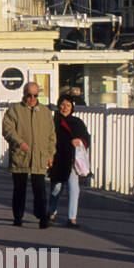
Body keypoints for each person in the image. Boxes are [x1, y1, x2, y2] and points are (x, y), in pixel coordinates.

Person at [1, 82, 57, 228]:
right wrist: (19, 143)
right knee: (19, 189)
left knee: (40, 189)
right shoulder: (15, 111)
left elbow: (51, 135)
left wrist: (51, 154)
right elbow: (8, 130)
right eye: (29, 95)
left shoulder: (45, 112)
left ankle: (42, 217)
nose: (32, 98)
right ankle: (18, 217)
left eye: (35, 95)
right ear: (24, 94)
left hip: (39, 157)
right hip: (21, 156)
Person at [48, 95, 90, 228]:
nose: (64, 108)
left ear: (72, 108)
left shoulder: (77, 122)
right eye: (62, 104)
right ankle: (51, 213)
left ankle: (72, 218)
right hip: (57, 158)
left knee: (74, 189)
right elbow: (47, 140)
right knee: (56, 188)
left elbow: (86, 138)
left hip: (71, 160)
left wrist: (80, 141)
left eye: (68, 105)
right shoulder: (53, 121)